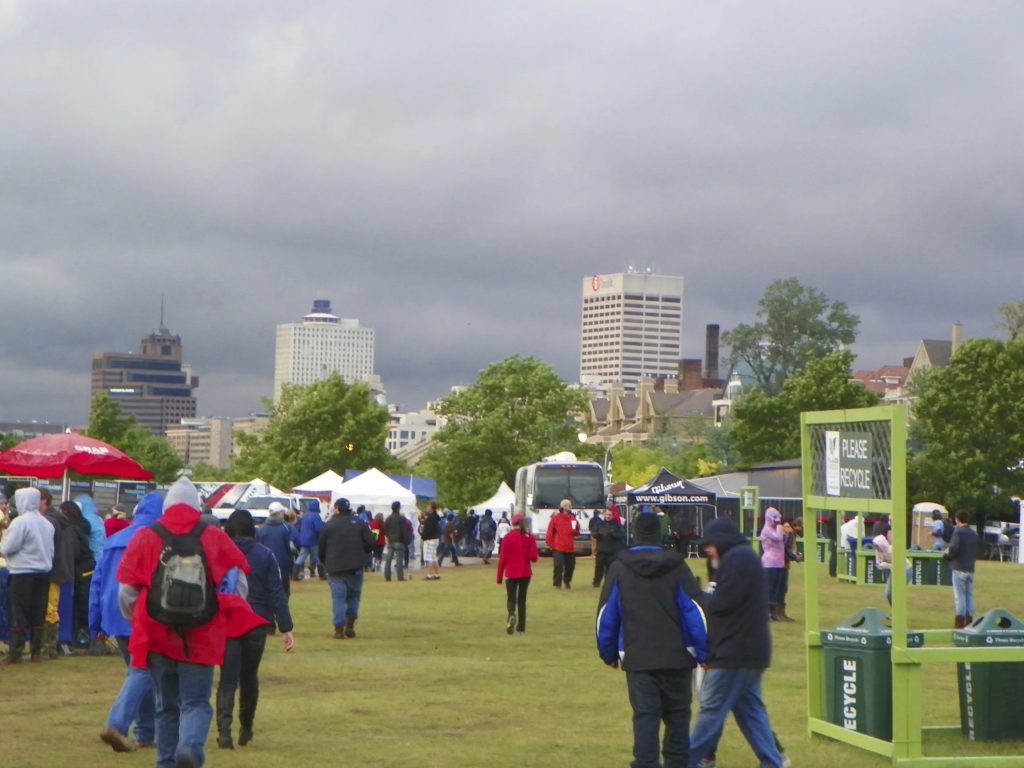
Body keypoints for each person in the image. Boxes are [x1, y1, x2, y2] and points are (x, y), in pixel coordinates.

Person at [116, 477, 250, 768]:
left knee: (166, 707)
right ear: (196, 506)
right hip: (202, 635)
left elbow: (126, 591)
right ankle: (189, 747)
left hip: (157, 635)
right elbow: (238, 582)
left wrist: (137, 618)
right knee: (196, 703)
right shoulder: (214, 536)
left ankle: (165, 762)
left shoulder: (146, 536)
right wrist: (221, 614)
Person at [597, 512, 708, 768]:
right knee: (678, 718)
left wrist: (608, 654)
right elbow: (694, 613)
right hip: (678, 657)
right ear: (660, 534)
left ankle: (646, 763)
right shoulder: (678, 567)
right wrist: (704, 653)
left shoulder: (619, 568)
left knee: (645, 717)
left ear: (634, 534)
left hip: (638, 656)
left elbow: (607, 616)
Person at [689, 518, 785, 768]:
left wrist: (698, 597)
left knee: (711, 710)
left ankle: (683, 761)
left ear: (721, 541)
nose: (707, 550)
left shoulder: (736, 560)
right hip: (751, 651)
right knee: (751, 711)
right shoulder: (744, 557)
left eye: (709, 545)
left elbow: (723, 604)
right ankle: (773, 761)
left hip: (734, 652)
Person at [217, 509, 295, 749]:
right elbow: (276, 592)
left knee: (227, 679)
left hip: (229, 621)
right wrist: (286, 627)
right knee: (249, 677)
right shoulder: (265, 554)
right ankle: (246, 727)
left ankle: (224, 733)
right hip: (257, 621)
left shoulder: (221, 552)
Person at [92, 492, 163, 753]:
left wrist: (95, 622)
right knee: (143, 672)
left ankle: (145, 733)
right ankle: (118, 723)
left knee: (139, 671)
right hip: (143, 613)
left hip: (114, 614)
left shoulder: (114, 540)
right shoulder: (159, 539)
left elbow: (97, 582)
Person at [0, 487, 55, 664]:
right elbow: (51, 551)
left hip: (21, 572)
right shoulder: (47, 524)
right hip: (43, 573)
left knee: (18, 612)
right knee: (38, 612)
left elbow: (7, 547)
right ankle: (36, 653)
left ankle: (15, 653)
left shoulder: (20, 522)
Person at [318, 497, 376, 639]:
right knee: (354, 597)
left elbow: (321, 547)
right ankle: (350, 625)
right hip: (356, 566)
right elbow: (371, 542)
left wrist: (325, 561)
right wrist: (363, 553)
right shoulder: (360, 523)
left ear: (337, 508)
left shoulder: (329, 525)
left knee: (338, 598)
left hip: (335, 567)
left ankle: (339, 629)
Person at [496, 513, 538, 634]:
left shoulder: (507, 538)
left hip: (510, 573)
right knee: (522, 600)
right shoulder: (529, 537)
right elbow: (534, 557)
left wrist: (499, 578)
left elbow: (502, 559)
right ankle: (521, 628)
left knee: (511, 599)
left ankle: (511, 615)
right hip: (525, 572)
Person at [945, 510, 979, 628]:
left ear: (957, 519)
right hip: (970, 568)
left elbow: (953, 548)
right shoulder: (974, 534)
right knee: (969, 596)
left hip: (959, 567)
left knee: (959, 597)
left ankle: (959, 624)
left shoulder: (958, 532)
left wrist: (947, 556)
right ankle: (969, 622)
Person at [255, 502, 294, 598]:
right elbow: (294, 546)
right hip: (282, 566)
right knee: (284, 593)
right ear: (280, 513)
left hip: (265, 566)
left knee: (268, 592)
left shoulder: (261, 529)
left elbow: (257, 547)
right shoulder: (287, 528)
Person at [760, 508, 790, 622]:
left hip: (779, 563)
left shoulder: (775, 528)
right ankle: (765, 613)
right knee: (769, 588)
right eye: (775, 518)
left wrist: (787, 533)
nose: (777, 521)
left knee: (776, 589)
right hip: (769, 563)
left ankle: (774, 613)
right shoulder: (767, 529)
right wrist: (780, 527)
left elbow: (783, 542)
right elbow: (778, 538)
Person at [872, 518, 910, 606]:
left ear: (882, 545)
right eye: (875, 546)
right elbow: (878, 564)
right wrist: (881, 564)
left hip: (906, 570)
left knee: (897, 592)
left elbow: (899, 565)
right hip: (895, 571)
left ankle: (898, 610)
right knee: (888, 593)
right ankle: (894, 610)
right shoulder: (879, 552)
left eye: (877, 546)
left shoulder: (892, 551)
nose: (875, 548)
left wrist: (887, 565)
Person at [546, 499, 580, 589]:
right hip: (558, 547)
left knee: (571, 566)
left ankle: (567, 581)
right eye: (569, 505)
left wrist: (576, 528)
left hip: (569, 547)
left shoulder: (573, 518)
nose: (571, 507)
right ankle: (557, 584)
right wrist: (549, 543)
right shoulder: (555, 518)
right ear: (564, 507)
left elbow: (576, 532)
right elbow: (550, 531)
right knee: (558, 566)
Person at [591, 508, 626, 588]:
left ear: (613, 516)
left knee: (610, 568)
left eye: (609, 515)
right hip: (601, 550)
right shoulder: (599, 524)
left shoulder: (617, 525)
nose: (608, 516)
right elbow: (593, 533)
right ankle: (596, 582)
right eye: (606, 514)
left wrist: (612, 534)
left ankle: (609, 582)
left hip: (613, 551)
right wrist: (598, 535)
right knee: (599, 567)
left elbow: (621, 535)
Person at [294, 500, 325, 580]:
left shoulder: (305, 515)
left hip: (304, 540)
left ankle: (294, 574)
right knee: (318, 557)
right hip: (313, 540)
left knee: (301, 557)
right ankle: (322, 575)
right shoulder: (316, 516)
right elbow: (319, 529)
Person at [383, 501, 410, 582]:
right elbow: (404, 531)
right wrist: (406, 541)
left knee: (388, 560)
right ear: (399, 508)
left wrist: (388, 537)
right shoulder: (401, 518)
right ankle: (400, 576)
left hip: (391, 541)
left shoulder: (388, 518)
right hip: (399, 541)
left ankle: (387, 576)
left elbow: (385, 530)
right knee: (399, 560)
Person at [419, 502, 442, 580]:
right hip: (434, 538)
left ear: (432, 508)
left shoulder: (431, 518)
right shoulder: (435, 517)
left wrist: (423, 536)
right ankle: (437, 574)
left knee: (429, 558)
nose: (427, 507)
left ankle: (429, 574)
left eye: (428, 506)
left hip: (430, 539)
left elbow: (429, 529)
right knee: (433, 557)